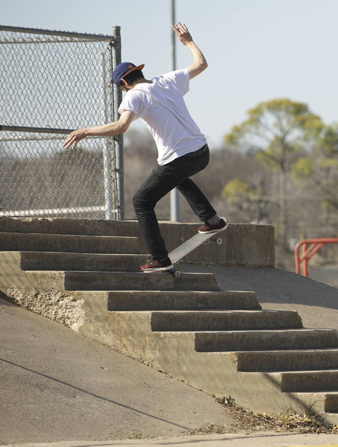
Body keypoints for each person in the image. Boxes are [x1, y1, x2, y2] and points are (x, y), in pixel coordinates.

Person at [63, 23, 226, 273]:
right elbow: (201, 64)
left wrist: (85, 131)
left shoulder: (134, 95)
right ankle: (211, 219)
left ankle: (159, 258)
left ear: (124, 84)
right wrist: (188, 42)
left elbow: (121, 126)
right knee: (174, 176)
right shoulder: (168, 80)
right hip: (202, 152)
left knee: (141, 201)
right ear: (139, 73)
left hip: (180, 158)